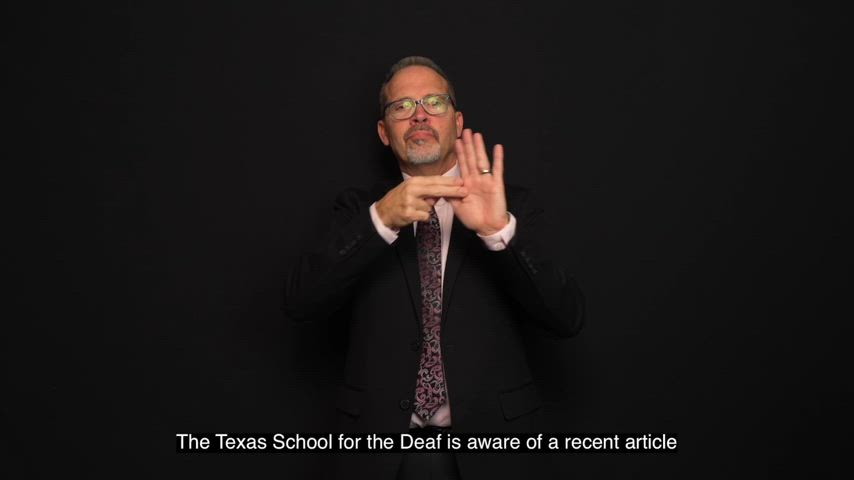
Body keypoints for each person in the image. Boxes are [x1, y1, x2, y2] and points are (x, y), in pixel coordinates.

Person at [284, 56, 584, 480]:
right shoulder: (357, 211)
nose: (419, 114)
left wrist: (498, 232)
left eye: (433, 102)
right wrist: (380, 221)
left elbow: (565, 317)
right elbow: (301, 302)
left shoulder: (514, 206)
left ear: (457, 122)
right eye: (402, 106)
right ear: (384, 133)